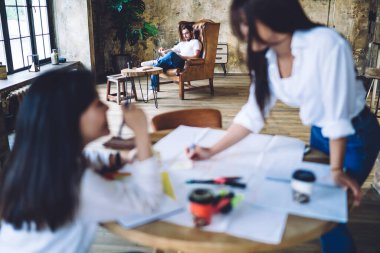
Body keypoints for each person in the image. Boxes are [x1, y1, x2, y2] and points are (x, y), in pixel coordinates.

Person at [187, 0, 380, 252]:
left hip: (355, 135)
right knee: (320, 206)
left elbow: (337, 115)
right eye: (240, 25)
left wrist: (335, 168)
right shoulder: (267, 55)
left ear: (274, 14)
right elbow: (252, 114)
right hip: (320, 132)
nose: (243, 32)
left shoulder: (324, 43)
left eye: (247, 23)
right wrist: (211, 151)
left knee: (331, 215)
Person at [0, 70, 163, 253]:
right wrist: (141, 132)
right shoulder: (80, 185)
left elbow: (87, 159)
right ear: (69, 118)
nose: (108, 108)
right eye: (98, 104)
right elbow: (149, 202)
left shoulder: (37, 163)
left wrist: (120, 157)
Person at [141, 24, 202, 89]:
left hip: (184, 63)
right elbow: (171, 50)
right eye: (183, 34)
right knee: (156, 67)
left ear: (191, 32)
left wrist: (181, 56)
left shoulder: (196, 42)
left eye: (186, 33)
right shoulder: (182, 43)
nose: (185, 36)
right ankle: (153, 87)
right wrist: (163, 50)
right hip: (175, 62)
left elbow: (196, 56)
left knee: (171, 54)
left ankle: (156, 61)